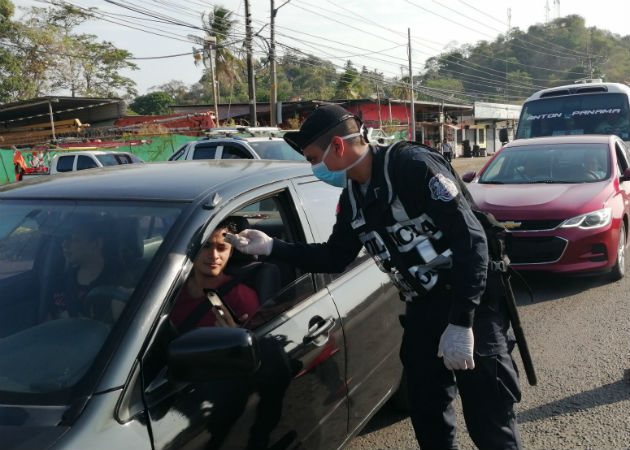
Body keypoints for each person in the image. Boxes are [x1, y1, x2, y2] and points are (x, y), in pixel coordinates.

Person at [226, 104, 522, 450]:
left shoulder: (412, 166)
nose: (313, 167)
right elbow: (336, 255)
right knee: (428, 413)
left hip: (471, 304)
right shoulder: (353, 198)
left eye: (312, 158)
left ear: (337, 146)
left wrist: (461, 322)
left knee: (489, 418)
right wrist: (273, 248)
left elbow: (471, 242)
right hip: (423, 307)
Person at [169, 218, 259, 330]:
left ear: (230, 252)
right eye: (205, 246)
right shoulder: (171, 290)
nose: (214, 255)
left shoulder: (242, 297)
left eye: (222, 248)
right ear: (191, 249)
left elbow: (254, 342)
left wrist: (234, 337)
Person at [50, 216, 129, 322]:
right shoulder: (61, 281)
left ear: (96, 244)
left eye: (74, 239)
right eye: (65, 239)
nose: (65, 244)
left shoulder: (119, 283)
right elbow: (47, 322)